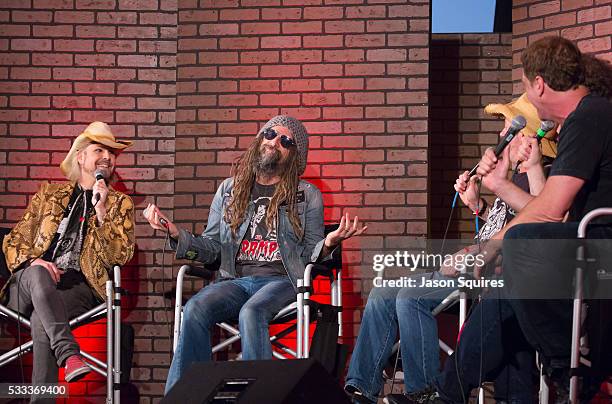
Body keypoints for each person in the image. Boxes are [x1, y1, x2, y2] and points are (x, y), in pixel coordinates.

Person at [421, 36, 612, 404]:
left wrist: (492, 245)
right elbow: (558, 212)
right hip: (587, 243)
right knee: (507, 280)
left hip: (599, 248)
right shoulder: (587, 116)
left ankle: (569, 361)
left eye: (525, 86)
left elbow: (551, 209)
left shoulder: (588, 116)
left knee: (520, 247)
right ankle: (449, 393)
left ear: (538, 84)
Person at [344, 94, 556, 404]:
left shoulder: (540, 176)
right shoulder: (513, 175)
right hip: (475, 258)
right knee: (383, 292)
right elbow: (507, 218)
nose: (500, 136)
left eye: (508, 128)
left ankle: (425, 391)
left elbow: (539, 221)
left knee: (410, 297)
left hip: (491, 274)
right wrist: (477, 205)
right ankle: (362, 387)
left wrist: (478, 250)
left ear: (526, 135)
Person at [144, 115, 366, 394]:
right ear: (260, 139)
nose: (275, 141)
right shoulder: (229, 190)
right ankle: (185, 396)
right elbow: (213, 248)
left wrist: (329, 243)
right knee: (195, 308)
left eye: (286, 140)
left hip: (281, 281)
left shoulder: (307, 194)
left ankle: (259, 397)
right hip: (234, 281)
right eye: (270, 134)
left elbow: (311, 253)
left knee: (252, 312)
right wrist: (176, 234)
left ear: (294, 154)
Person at [1, 122, 135, 401]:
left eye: (112, 152)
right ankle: (69, 353)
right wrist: (35, 261)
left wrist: (101, 213)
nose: (107, 157)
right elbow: (12, 241)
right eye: (99, 149)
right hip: (27, 284)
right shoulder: (49, 195)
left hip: (78, 289)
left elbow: (119, 256)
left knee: (43, 317)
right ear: (81, 157)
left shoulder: (119, 204)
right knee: (39, 276)